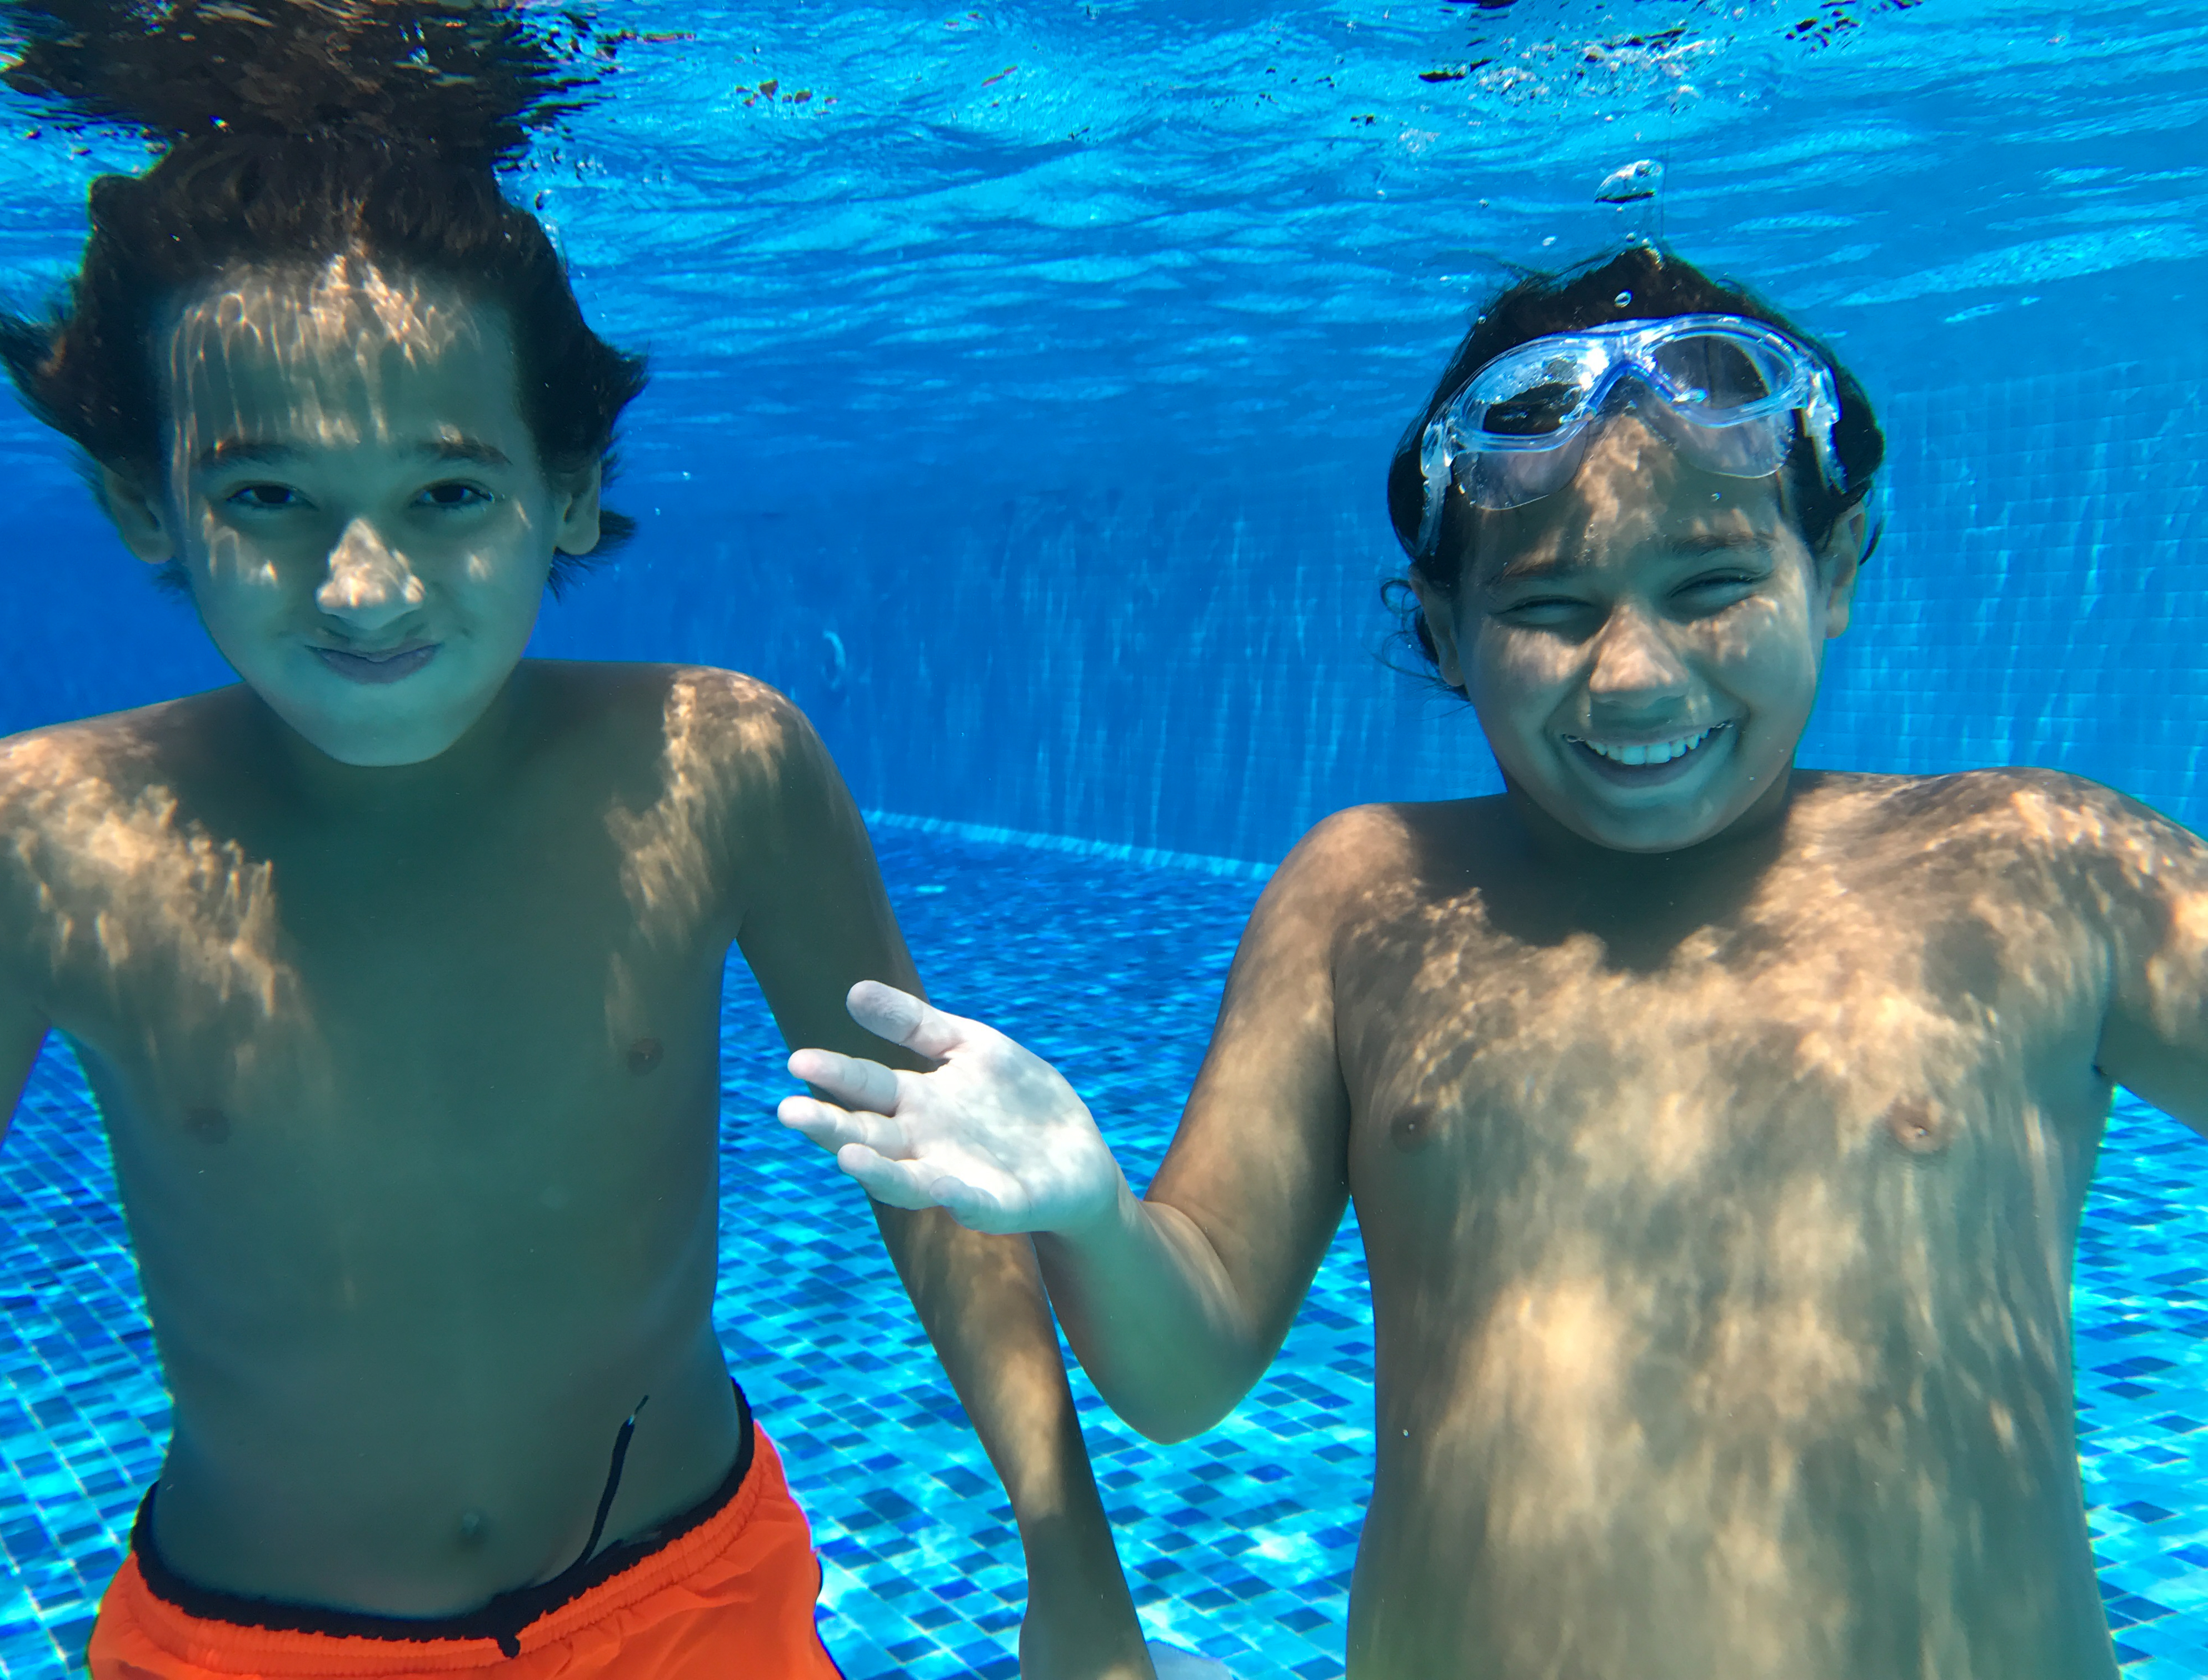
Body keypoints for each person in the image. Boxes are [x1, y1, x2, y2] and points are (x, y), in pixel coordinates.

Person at [778, 243, 2207, 1679]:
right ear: (1446, 631)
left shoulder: (2035, 869)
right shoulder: (1366, 898)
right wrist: (1089, 1214)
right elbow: (1185, 1371)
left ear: (1830, 571)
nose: (1637, 675)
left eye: (1713, 583)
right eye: (1550, 608)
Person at [0, 3, 1175, 1676]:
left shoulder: (719, 765)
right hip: (253, 1642)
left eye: (449, 493)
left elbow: (934, 1179)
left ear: (573, 491)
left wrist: (1074, 1570)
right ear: (142, 502)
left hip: (694, 1602)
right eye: (268, 497)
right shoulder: (35, 842)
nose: (363, 587)